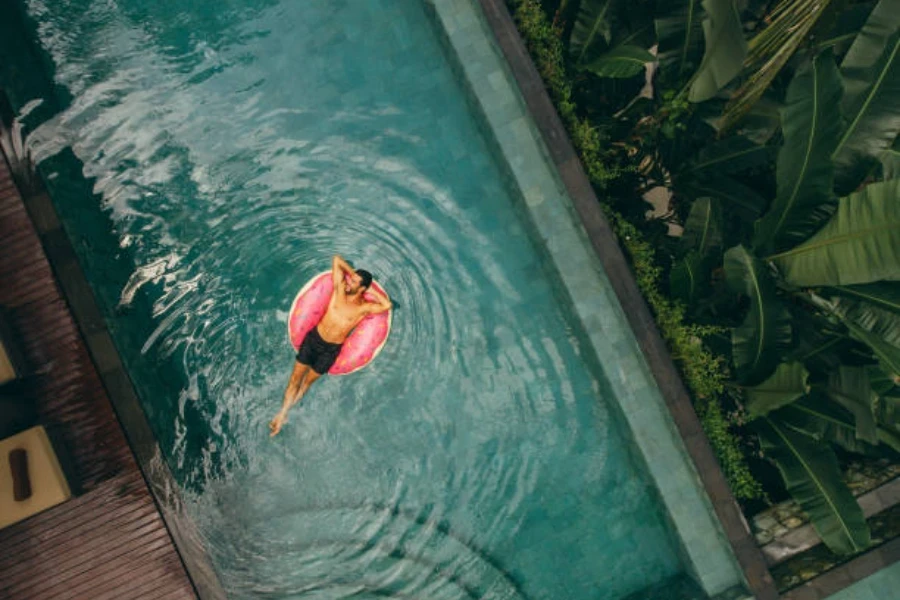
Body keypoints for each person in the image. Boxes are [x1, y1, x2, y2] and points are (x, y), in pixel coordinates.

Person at [269, 255, 391, 436]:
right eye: (351, 279)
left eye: (355, 282)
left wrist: (371, 292)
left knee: (306, 385)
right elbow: (336, 260)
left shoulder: (363, 308)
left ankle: (284, 413)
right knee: (295, 379)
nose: (349, 282)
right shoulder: (339, 290)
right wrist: (351, 273)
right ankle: (282, 415)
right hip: (313, 340)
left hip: (330, 351)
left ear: (362, 288)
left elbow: (386, 304)